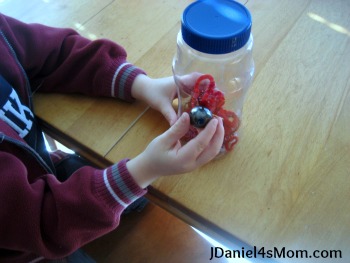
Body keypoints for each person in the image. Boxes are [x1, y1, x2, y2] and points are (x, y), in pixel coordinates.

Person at [0, 13, 224, 262]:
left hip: (40, 169)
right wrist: (145, 169)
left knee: (129, 189)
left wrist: (141, 85)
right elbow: (41, 221)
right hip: (28, 245)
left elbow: (55, 53)